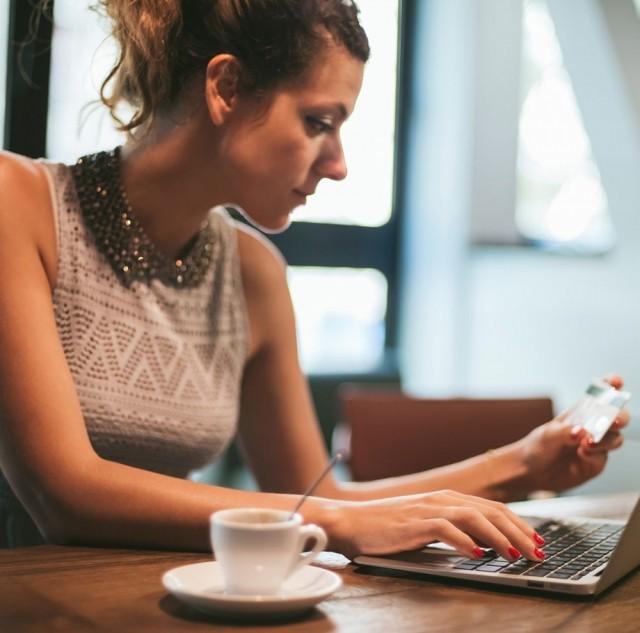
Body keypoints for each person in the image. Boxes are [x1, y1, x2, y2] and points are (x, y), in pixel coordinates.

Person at [0, 0, 629, 561]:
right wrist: (338, 523)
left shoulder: (253, 274)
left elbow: (316, 494)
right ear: (227, 87)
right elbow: (67, 492)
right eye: (319, 122)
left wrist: (525, 463)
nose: (340, 165)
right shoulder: (17, 206)